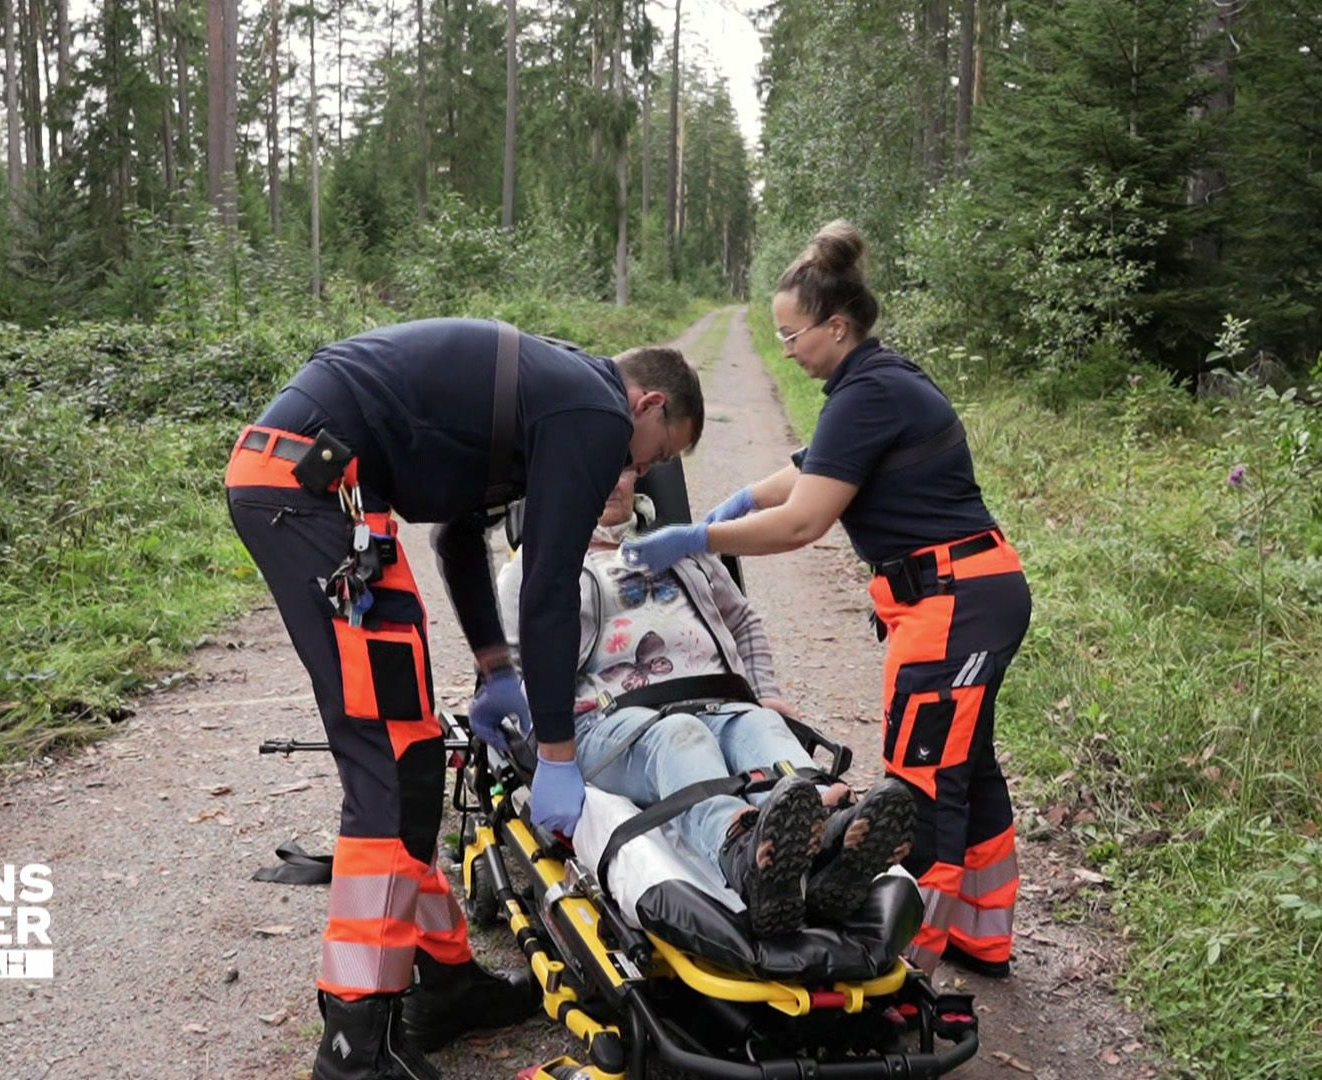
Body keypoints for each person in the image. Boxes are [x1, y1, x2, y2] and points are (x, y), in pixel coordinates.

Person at [225, 318, 703, 1079]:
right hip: (309, 491)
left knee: (410, 751)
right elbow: (547, 587)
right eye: (663, 453)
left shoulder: (554, 399)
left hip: (324, 490)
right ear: (648, 406)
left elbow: (456, 538)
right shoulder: (596, 411)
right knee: (390, 764)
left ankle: (445, 985)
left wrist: (494, 663)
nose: (643, 475)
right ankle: (357, 1050)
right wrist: (556, 754)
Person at [621, 223, 1032, 980]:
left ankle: (909, 960)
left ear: (835, 326)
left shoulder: (870, 392)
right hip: (968, 593)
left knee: (920, 783)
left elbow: (805, 519)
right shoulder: (874, 383)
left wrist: (696, 543)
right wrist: (732, 503)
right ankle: (982, 935)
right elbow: (803, 475)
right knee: (968, 768)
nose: (784, 347)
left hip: (951, 604)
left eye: (791, 333)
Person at [497, 468, 915, 939]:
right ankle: (742, 855)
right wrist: (551, 754)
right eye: (599, 469)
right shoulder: (535, 568)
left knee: (762, 726)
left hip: (719, 699)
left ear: (639, 473)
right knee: (679, 735)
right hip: (613, 721)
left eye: (623, 467)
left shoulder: (680, 548)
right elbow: (518, 667)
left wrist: (767, 693)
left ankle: (830, 842)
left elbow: (743, 621)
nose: (611, 480)